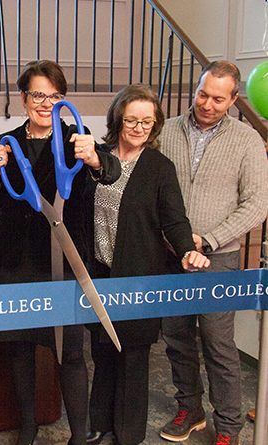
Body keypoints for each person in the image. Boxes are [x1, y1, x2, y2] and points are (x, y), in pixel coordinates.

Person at [0, 59, 121, 445]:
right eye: (38, 94)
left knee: (71, 353)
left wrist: (94, 158)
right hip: (16, 262)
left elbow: (110, 171)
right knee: (21, 350)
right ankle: (27, 427)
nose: (45, 102)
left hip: (63, 264)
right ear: (23, 98)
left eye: (55, 95)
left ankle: (78, 434)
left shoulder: (77, 137)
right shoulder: (7, 141)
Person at [84, 84, 210, 445]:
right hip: (100, 274)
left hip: (139, 278)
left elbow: (175, 220)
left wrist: (187, 249)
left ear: (155, 125)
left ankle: (127, 435)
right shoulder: (98, 155)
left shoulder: (159, 167)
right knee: (103, 353)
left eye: (147, 121)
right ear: (117, 120)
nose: (139, 128)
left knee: (133, 358)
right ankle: (100, 425)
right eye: (132, 120)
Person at [159, 61, 268, 445]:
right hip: (170, 255)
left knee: (219, 345)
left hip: (218, 258)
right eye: (202, 94)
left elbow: (257, 205)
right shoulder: (166, 130)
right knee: (176, 337)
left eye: (218, 99)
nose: (207, 103)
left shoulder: (247, 140)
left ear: (234, 99)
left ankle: (229, 427)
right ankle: (190, 409)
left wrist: (208, 239)